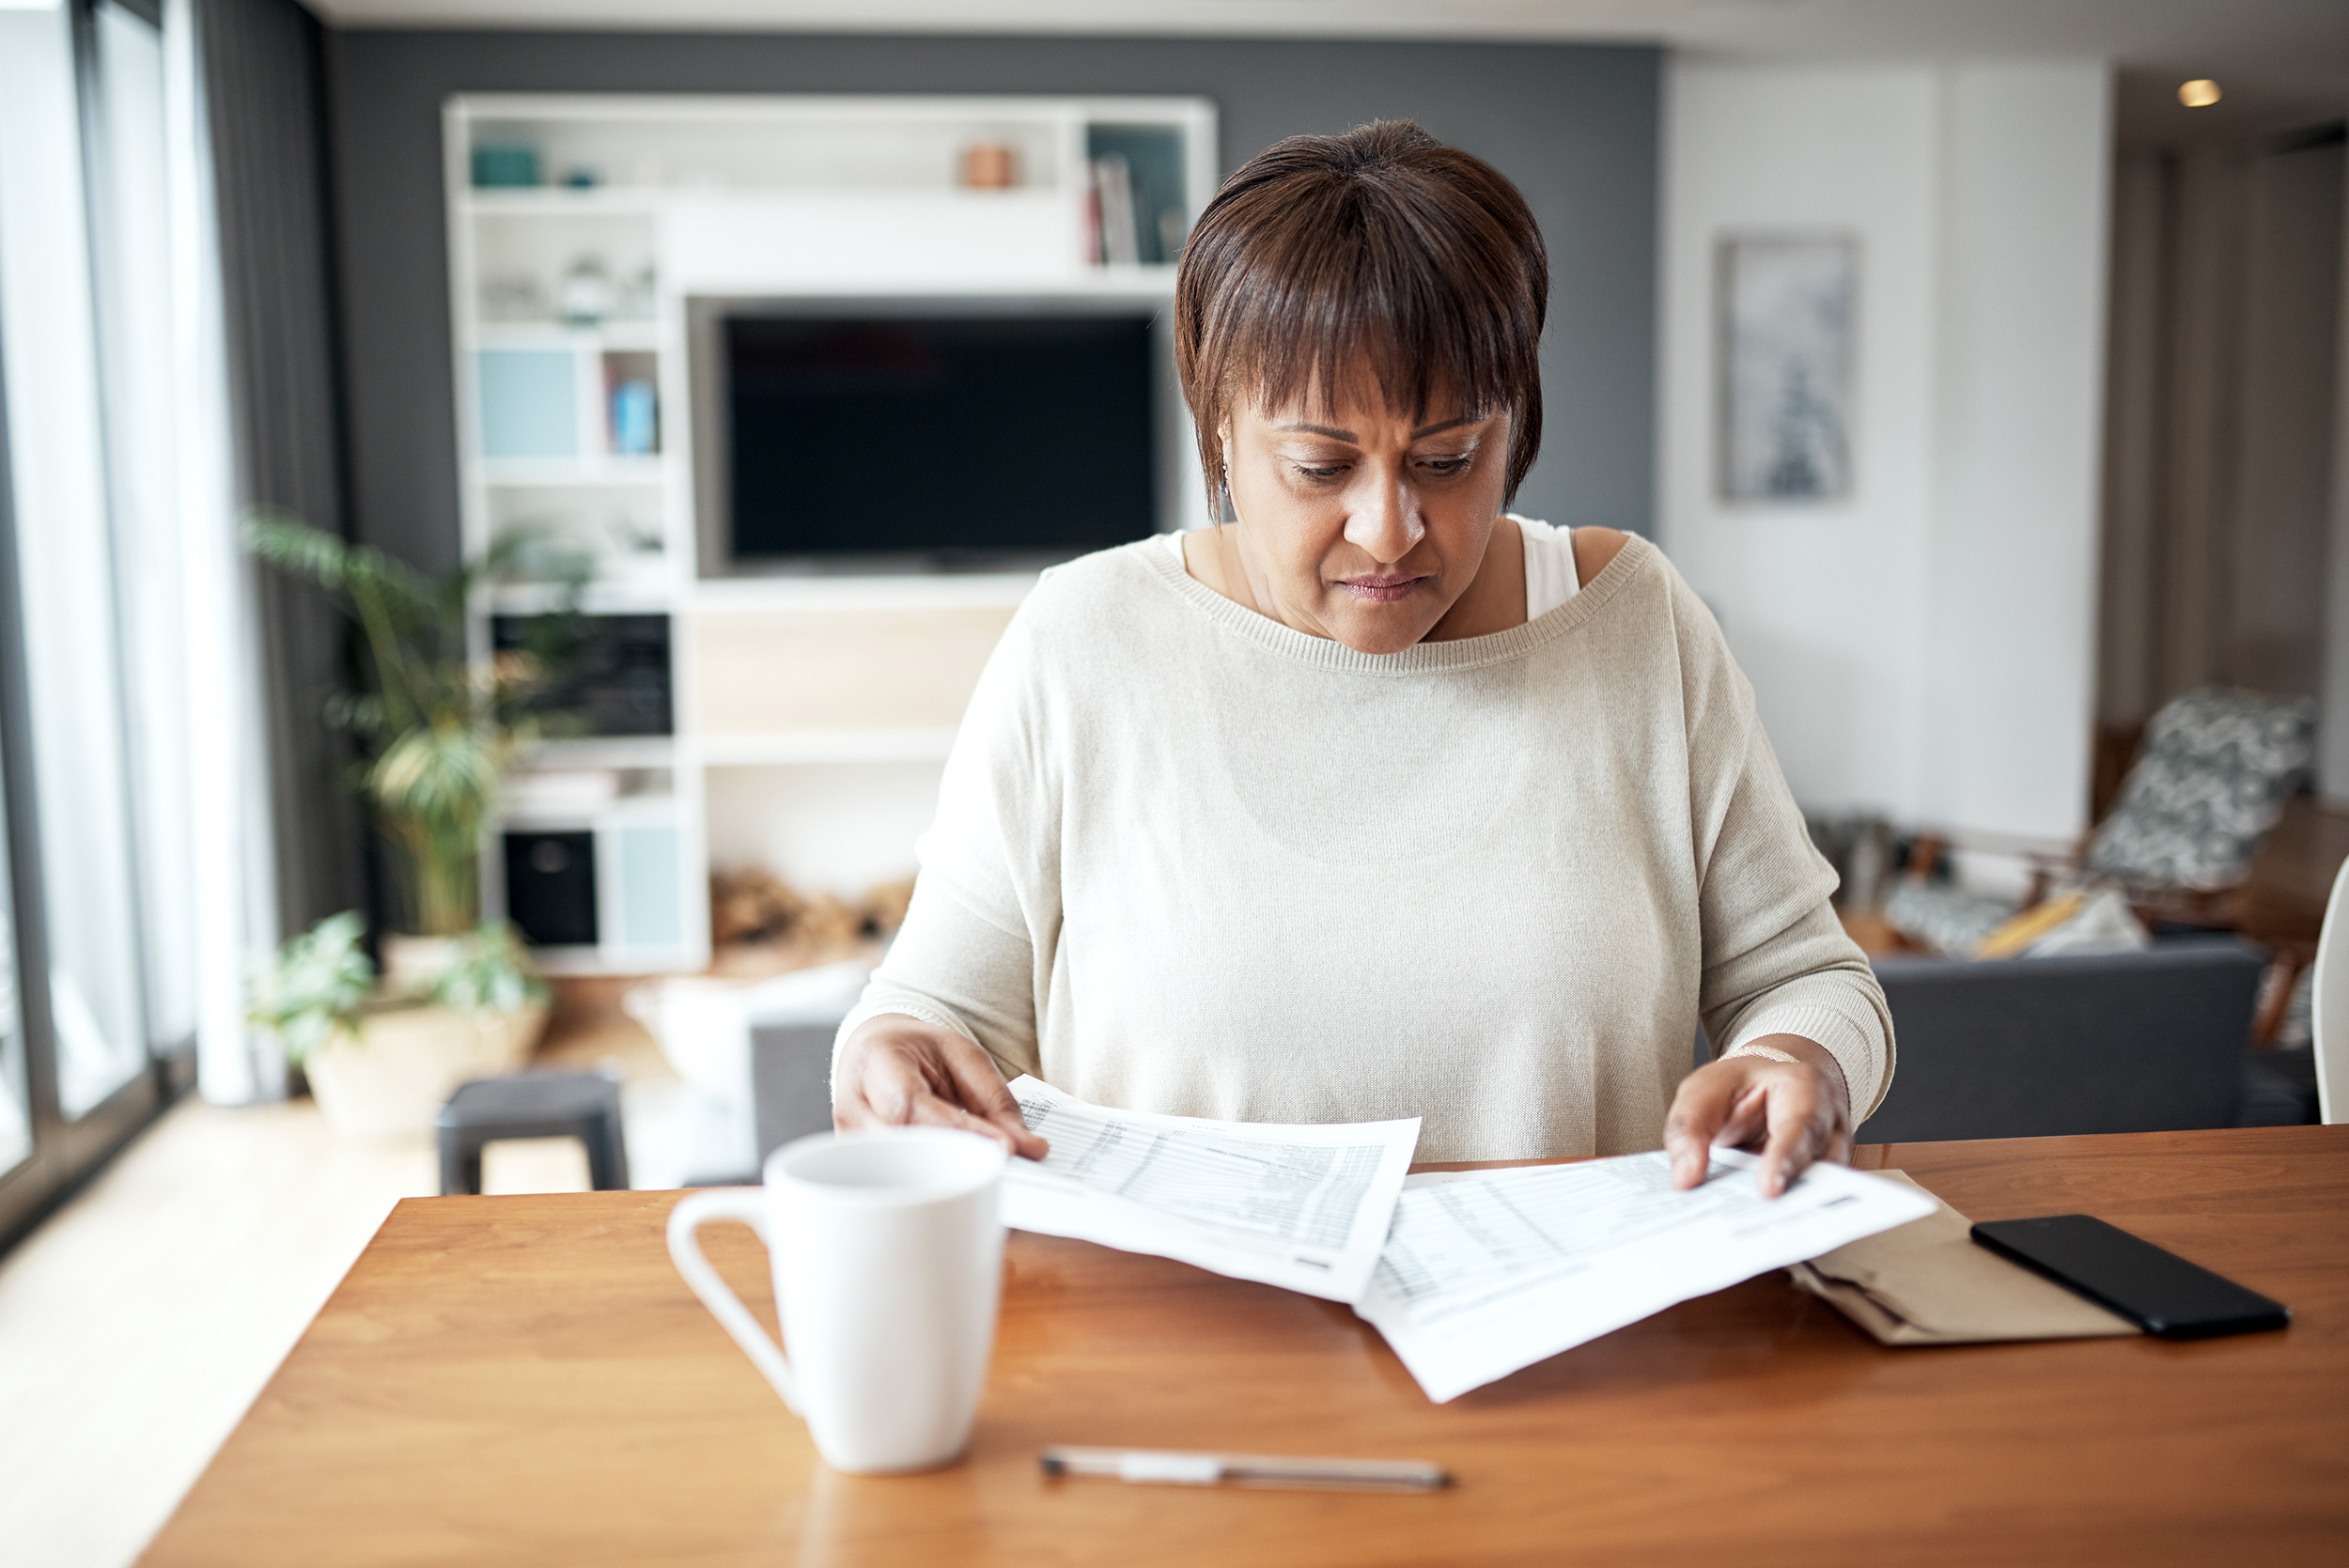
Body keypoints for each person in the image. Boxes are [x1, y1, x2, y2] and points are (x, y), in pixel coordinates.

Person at [832, 120, 1890, 1197]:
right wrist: (884, 1052)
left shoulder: (1634, 624)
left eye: (1447, 459)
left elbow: (1808, 978)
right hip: (1172, 1348)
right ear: (1221, 436)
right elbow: (935, 1010)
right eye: (1319, 464)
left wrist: (1791, 1058)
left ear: (1515, 424)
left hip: (1568, 1355)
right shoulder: (1083, 639)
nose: (1389, 528)